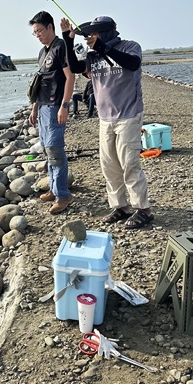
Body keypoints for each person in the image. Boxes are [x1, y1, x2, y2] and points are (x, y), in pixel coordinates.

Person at [60, 16, 153, 229]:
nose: (91, 37)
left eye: (96, 33)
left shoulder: (130, 46)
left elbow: (132, 63)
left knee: (129, 162)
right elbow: (74, 67)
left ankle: (143, 209)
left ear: (106, 32)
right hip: (105, 117)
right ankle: (121, 206)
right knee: (109, 164)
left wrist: (102, 47)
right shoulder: (93, 56)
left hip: (129, 114)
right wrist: (67, 39)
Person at [29, 11, 75, 215]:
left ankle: (63, 195)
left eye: (39, 30)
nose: (37, 34)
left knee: (55, 150)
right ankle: (54, 187)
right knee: (48, 151)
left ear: (50, 27)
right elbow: (41, 82)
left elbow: (70, 77)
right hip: (43, 107)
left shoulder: (61, 47)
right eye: (34, 32)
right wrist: (34, 107)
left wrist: (65, 106)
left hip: (57, 106)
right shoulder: (42, 52)